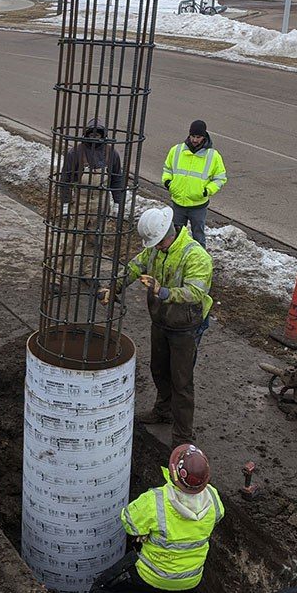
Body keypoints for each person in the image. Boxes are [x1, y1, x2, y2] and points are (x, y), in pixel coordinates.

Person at [75, 445, 224, 593]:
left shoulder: (155, 500)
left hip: (151, 575)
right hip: (188, 580)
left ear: (173, 473)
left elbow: (129, 523)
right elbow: (216, 517)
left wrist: (145, 533)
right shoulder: (214, 498)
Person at [99, 207, 212, 444]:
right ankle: (163, 411)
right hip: (161, 320)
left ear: (168, 234)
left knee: (181, 381)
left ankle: (183, 436)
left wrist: (162, 291)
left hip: (185, 326)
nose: (155, 248)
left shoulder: (196, 256)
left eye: (158, 243)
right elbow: (134, 267)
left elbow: (196, 292)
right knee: (159, 369)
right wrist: (115, 286)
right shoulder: (156, 251)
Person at [57, 118, 125, 287]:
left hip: (101, 202)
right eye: (91, 134)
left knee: (94, 241)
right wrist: (66, 203)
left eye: (98, 134)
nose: (95, 137)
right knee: (71, 241)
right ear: (85, 134)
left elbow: (116, 180)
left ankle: (87, 272)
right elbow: (66, 179)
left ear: (104, 135)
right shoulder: (76, 153)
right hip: (81, 201)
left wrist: (117, 202)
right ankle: (57, 275)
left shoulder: (111, 154)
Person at [162, 120, 227, 248]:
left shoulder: (213, 156)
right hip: (178, 202)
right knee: (175, 237)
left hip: (198, 205)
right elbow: (167, 169)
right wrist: (168, 182)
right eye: (193, 136)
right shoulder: (177, 150)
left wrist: (207, 190)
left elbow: (220, 178)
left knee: (198, 237)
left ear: (204, 136)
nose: (195, 140)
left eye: (198, 137)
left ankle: (199, 262)